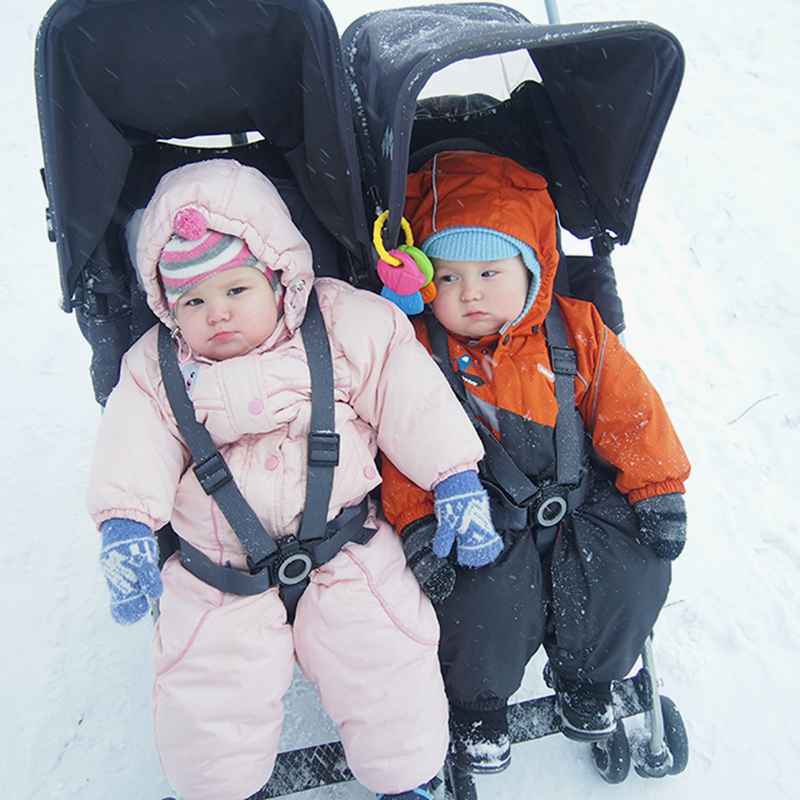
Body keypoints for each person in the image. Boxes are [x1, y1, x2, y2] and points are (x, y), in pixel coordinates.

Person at [86, 159, 505, 800]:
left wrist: (453, 477)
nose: (217, 314)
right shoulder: (156, 368)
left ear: (279, 276)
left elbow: (406, 389)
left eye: (235, 290)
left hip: (345, 542)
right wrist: (125, 524)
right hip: (218, 566)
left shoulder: (341, 325)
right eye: (193, 301)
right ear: (168, 307)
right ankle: (215, 789)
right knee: (205, 687)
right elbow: (131, 442)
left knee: (386, 653)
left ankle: (410, 777)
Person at [381, 150, 691, 774]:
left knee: (631, 575)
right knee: (480, 602)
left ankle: (588, 675)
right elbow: (400, 447)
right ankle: (477, 704)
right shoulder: (412, 353)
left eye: (491, 273)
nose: (470, 294)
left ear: (534, 270)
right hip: (477, 513)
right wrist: (416, 522)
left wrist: (658, 486)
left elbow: (631, 412)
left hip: (579, 498)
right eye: (447, 278)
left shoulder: (576, 331)